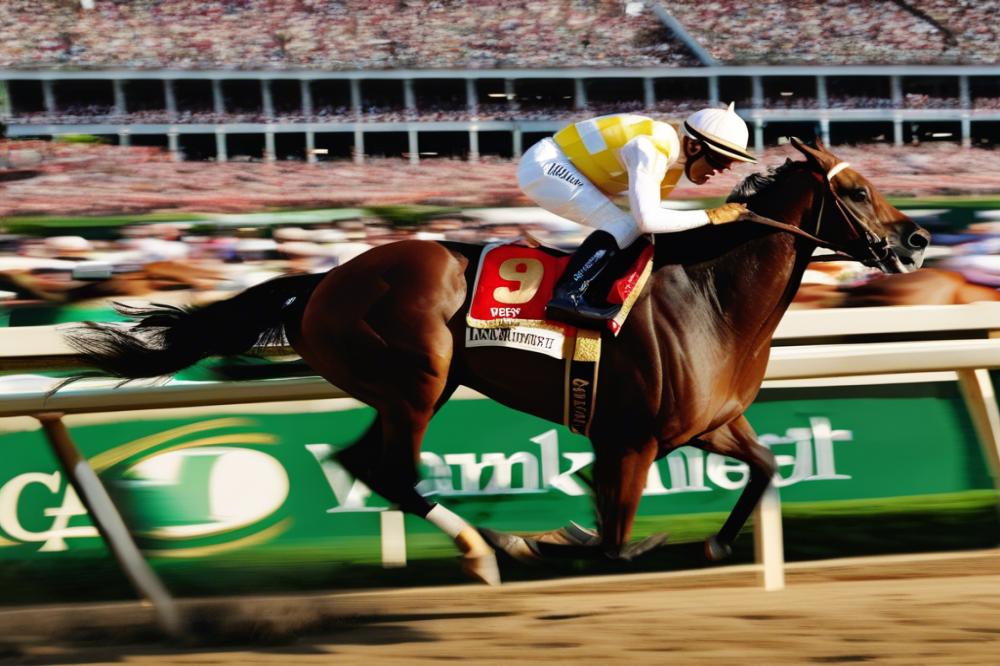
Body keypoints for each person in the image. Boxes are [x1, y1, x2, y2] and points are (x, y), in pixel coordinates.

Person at [517, 103, 756, 327]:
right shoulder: (651, 148)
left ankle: (597, 294)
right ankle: (566, 295)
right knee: (621, 224)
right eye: (723, 159)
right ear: (694, 146)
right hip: (547, 165)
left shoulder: (670, 165)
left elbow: (648, 227)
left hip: (566, 167)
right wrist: (710, 216)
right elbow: (648, 219)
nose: (725, 169)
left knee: (633, 232)